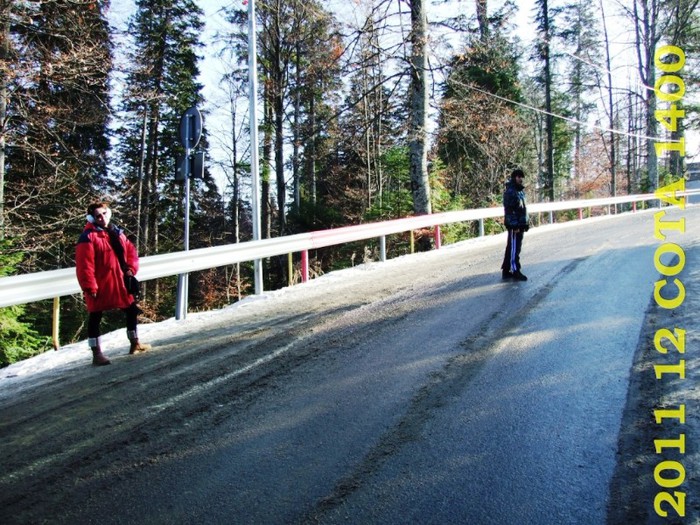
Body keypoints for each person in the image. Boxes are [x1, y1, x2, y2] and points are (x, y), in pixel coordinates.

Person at [76, 202, 151, 366]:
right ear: (91, 218)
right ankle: (96, 354)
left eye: (104, 213)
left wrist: (131, 268)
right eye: (98, 216)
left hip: (119, 282)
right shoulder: (87, 237)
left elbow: (131, 251)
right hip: (100, 285)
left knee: (131, 310)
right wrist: (89, 286)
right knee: (95, 316)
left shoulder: (117, 232)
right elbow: (84, 265)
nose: (102, 218)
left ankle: (135, 343)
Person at [501, 169, 529, 281]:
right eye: (518, 177)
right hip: (515, 226)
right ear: (514, 178)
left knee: (514, 247)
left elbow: (523, 209)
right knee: (514, 248)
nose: (520, 179)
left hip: (520, 224)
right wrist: (515, 225)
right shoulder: (511, 191)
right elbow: (509, 210)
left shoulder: (520, 191)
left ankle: (506, 270)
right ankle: (515, 270)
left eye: (521, 177)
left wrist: (525, 223)